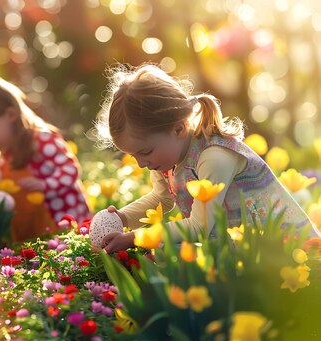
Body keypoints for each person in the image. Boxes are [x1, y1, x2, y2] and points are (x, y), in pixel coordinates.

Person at [93, 64, 319, 253]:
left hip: (292, 250)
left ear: (179, 128)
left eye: (144, 152)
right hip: (248, 252)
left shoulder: (214, 156)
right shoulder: (166, 159)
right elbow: (161, 200)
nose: (141, 163)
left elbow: (200, 226)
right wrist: (123, 218)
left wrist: (134, 238)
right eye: (133, 156)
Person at [0, 77, 90, 241]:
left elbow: (70, 170)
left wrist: (45, 185)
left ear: (11, 115)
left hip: (66, 220)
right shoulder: (5, 154)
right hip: (38, 229)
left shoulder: (41, 140)